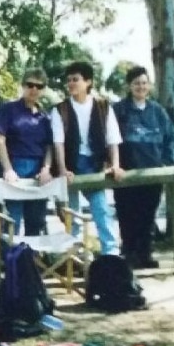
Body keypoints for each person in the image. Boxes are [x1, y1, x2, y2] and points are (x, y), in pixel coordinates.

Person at [51, 61, 123, 255]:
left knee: (102, 211)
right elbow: (58, 143)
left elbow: (113, 139)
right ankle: (73, 260)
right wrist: (63, 169)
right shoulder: (60, 110)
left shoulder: (103, 106)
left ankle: (111, 256)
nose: (71, 84)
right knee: (72, 217)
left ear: (88, 81)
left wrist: (115, 165)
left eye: (76, 79)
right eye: (69, 80)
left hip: (94, 164)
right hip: (72, 165)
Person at [113, 66, 173, 269]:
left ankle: (145, 254)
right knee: (127, 215)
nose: (141, 86)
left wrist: (167, 163)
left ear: (149, 85)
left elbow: (168, 141)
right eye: (137, 83)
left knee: (148, 216)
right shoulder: (118, 110)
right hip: (125, 175)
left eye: (144, 83)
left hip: (152, 175)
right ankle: (129, 253)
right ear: (129, 86)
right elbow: (109, 140)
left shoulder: (158, 111)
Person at [0, 68, 54, 236]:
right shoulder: (8, 109)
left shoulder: (45, 117)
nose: (34, 89)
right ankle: (9, 261)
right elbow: (0, 140)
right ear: (23, 85)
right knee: (12, 221)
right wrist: (8, 169)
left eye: (39, 86)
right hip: (14, 167)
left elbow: (50, 146)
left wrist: (46, 169)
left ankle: (31, 260)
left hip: (37, 171)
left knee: (36, 222)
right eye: (30, 84)